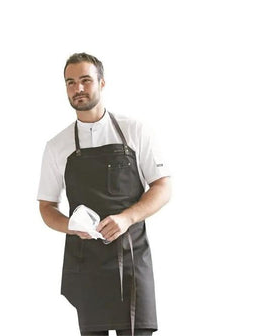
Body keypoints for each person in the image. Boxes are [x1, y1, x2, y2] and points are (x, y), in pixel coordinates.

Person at [38, 52, 172, 336]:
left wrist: (126, 218)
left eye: (85, 80)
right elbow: (47, 207)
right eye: (70, 82)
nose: (78, 88)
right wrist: (71, 226)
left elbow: (162, 187)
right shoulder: (57, 146)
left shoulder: (135, 131)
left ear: (101, 82)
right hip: (86, 264)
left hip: (132, 260)